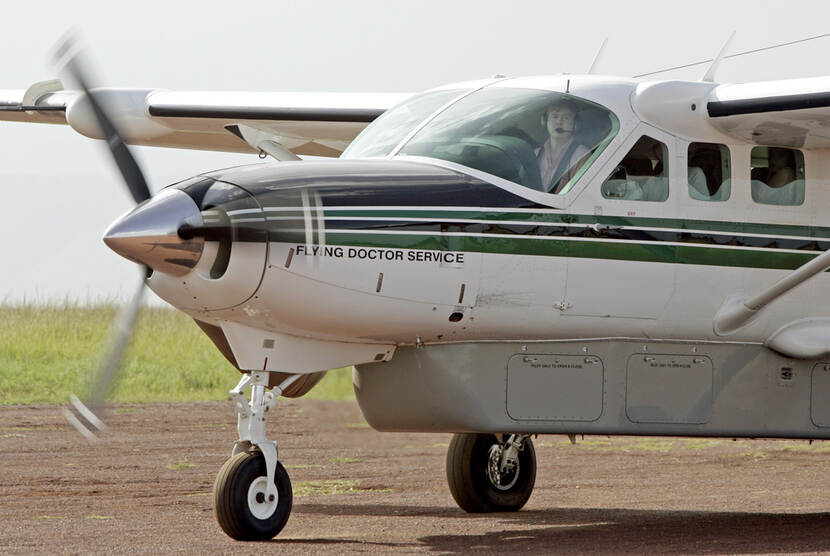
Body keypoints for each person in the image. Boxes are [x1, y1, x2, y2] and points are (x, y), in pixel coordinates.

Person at [536, 99, 589, 193]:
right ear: (545, 121)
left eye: (566, 118)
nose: (559, 122)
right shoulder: (535, 154)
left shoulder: (582, 155)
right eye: (554, 116)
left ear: (575, 124)